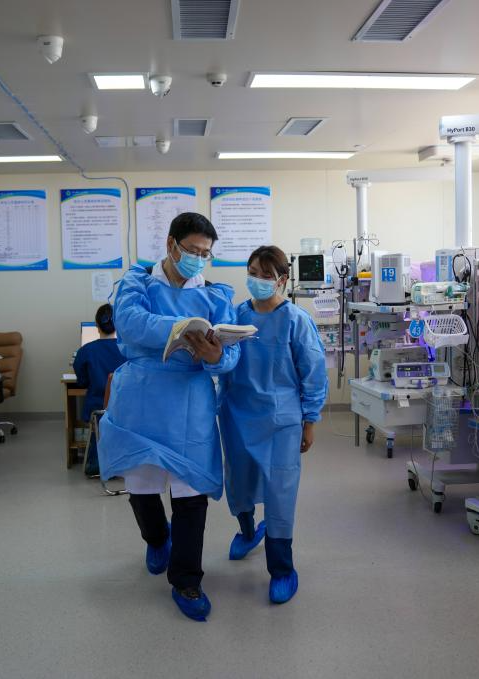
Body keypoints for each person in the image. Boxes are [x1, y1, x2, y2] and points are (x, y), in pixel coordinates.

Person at [97, 212, 239, 622]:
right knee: (142, 489)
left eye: (205, 253)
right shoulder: (137, 282)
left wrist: (216, 355)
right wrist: (182, 328)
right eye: (192, 250)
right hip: (141, 398)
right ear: (171, 245)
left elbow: (230, 356)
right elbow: (130, 323)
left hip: (190, 402)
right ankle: (157, 539)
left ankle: (187, 580)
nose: (198, 259)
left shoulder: (214, 296)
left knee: (190, 494)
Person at [218, 245, 328, 604]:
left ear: (282, 279)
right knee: (240, 481)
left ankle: (282, 569)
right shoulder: (235, 317)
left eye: (266, 275)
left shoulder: (295, 320)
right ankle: (248, 531)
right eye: (253, 273)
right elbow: (223, 363)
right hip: (237, 414)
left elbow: (313, 372)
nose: (258, 280)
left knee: (280, 491)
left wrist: (310, 420)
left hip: (281, 419)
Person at [73, 303, 126, 477]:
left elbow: (82, 382)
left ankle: (96, 463)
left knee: (98, 422)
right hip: (127, 410)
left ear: (97, 325)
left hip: (98, 410)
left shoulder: (85, 351)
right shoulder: (129, 350)